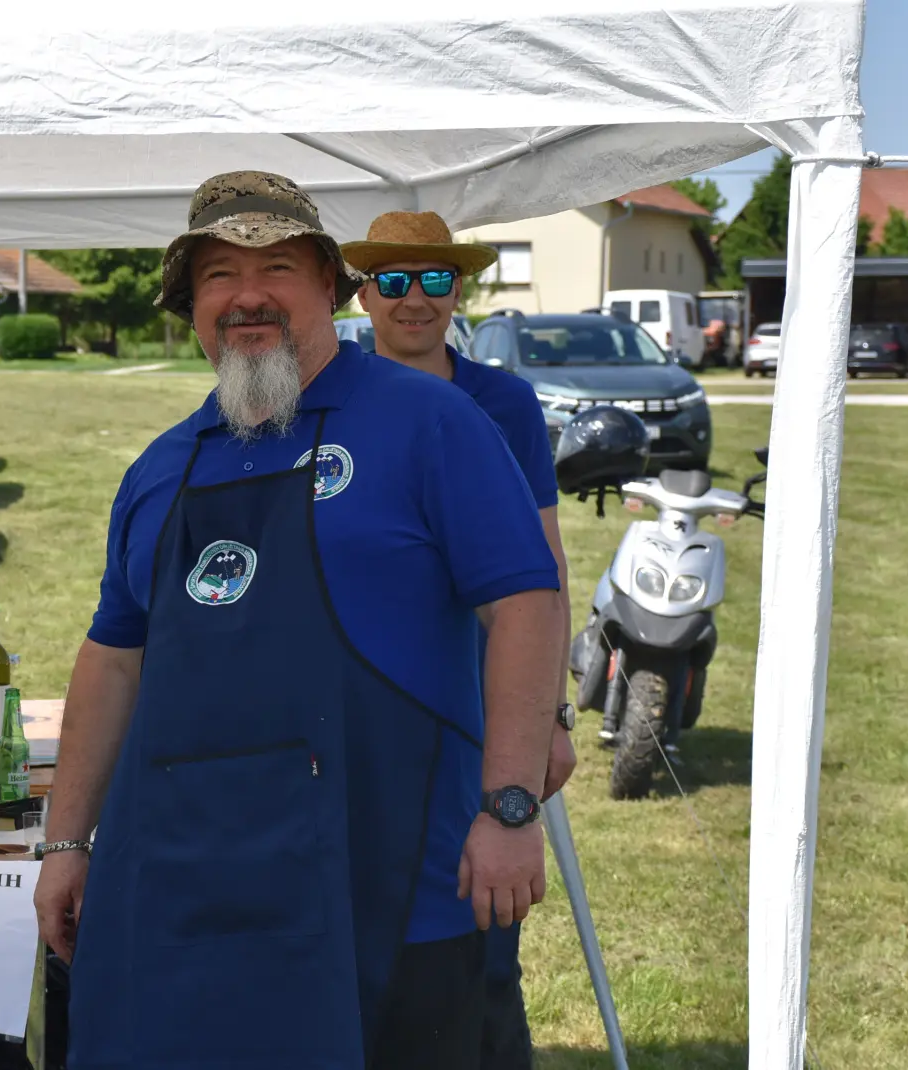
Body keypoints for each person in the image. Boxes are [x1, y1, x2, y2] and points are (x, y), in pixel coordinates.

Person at [33, 171, 566, 1070]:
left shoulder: (428, 420)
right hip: (185, 896)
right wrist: (65, 841)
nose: (247, 295)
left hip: (386, 888)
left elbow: (526, 601)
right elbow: (112, 662)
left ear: (328, 286)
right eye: (216, 276)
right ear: (191, 308)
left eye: (276, 266)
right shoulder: (161, 469)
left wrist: (510, 808)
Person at [342, 211, 579, 1069]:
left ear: (459, 290)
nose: (414, 298)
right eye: (394, 280)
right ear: (364, 292)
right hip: (374, 709)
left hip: (484, 706)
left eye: (434, 279)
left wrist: (553, 713)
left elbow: (541, 563)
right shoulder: (332, 393)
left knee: (483, 937)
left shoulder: (501, 401)